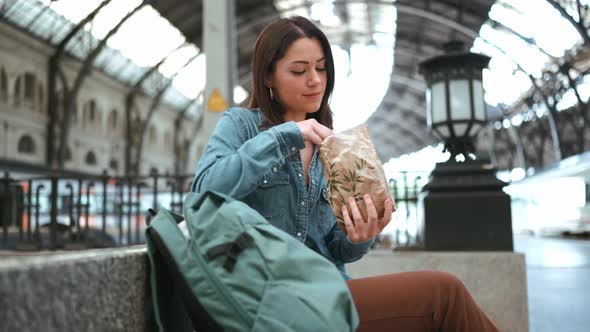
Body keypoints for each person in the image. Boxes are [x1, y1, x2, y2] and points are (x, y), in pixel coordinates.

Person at [191, 15, 499, 332]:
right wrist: (287, 135)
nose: (315, 80)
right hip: (268, 298)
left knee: (442, 296)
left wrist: (359, 238)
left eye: (321, 68)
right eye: (299, 70)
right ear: (268, 76)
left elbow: (335, 248)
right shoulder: (241, 125)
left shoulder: (333, 146)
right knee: (443, 294)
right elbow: (203, 191)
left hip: (326, 295)